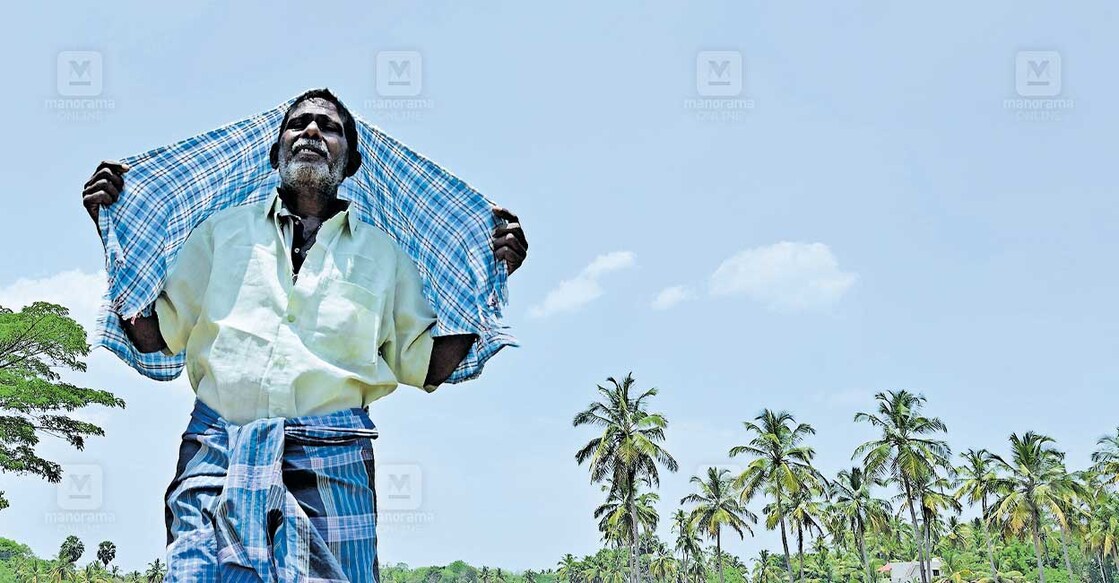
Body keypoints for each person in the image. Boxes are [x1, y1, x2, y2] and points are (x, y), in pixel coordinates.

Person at [80, 88, 527, 581]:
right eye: (298, 124)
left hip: (333, 460)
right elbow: (154, 337)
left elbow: (425, 366)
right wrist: (114, 232)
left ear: (351, 163)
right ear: (276, 155)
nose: (312, 131)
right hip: (217, 452)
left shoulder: (384, 256)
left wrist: (489, 275)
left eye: (329, 127)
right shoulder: (220, 233)